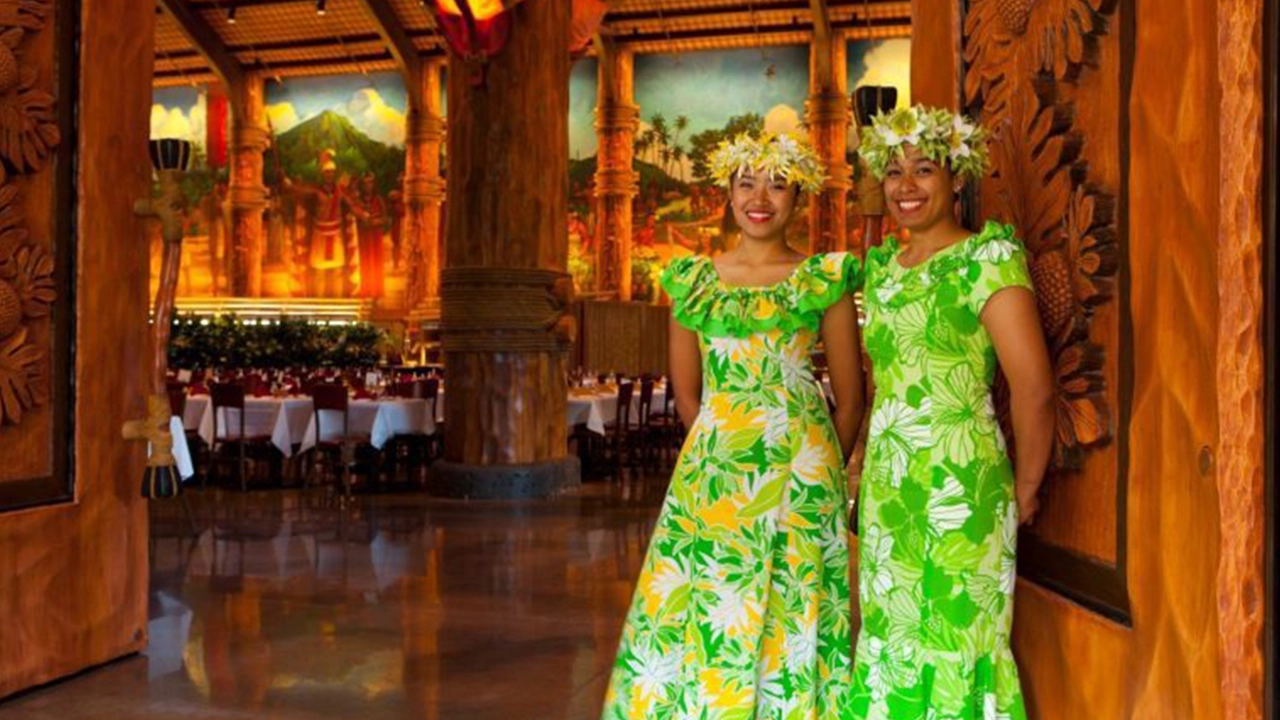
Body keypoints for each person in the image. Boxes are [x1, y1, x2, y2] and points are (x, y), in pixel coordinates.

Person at [601, 131, 865, 719]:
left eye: (777, 184)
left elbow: (851, 400)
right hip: (715, 476)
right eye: (746, 183)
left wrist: (816, 473)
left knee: (793, 610)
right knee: (715, 604)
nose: (760, 197)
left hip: (804, 476)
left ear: (799, 196)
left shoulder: (824, 279)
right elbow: (689, 397)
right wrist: (727, 449)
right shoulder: (694, 280)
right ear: (727, 193)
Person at [848, 105, 1056, 719]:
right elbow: (881, 385)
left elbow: (1034, 388)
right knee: (893, 637)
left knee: (958, 638)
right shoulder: (883, 273)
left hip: (962, 492)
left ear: (956, 179)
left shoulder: (985, 261)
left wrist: (1025, 486)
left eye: (923, 170)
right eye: (892, 171)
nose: (905, 186)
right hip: (891, 491)